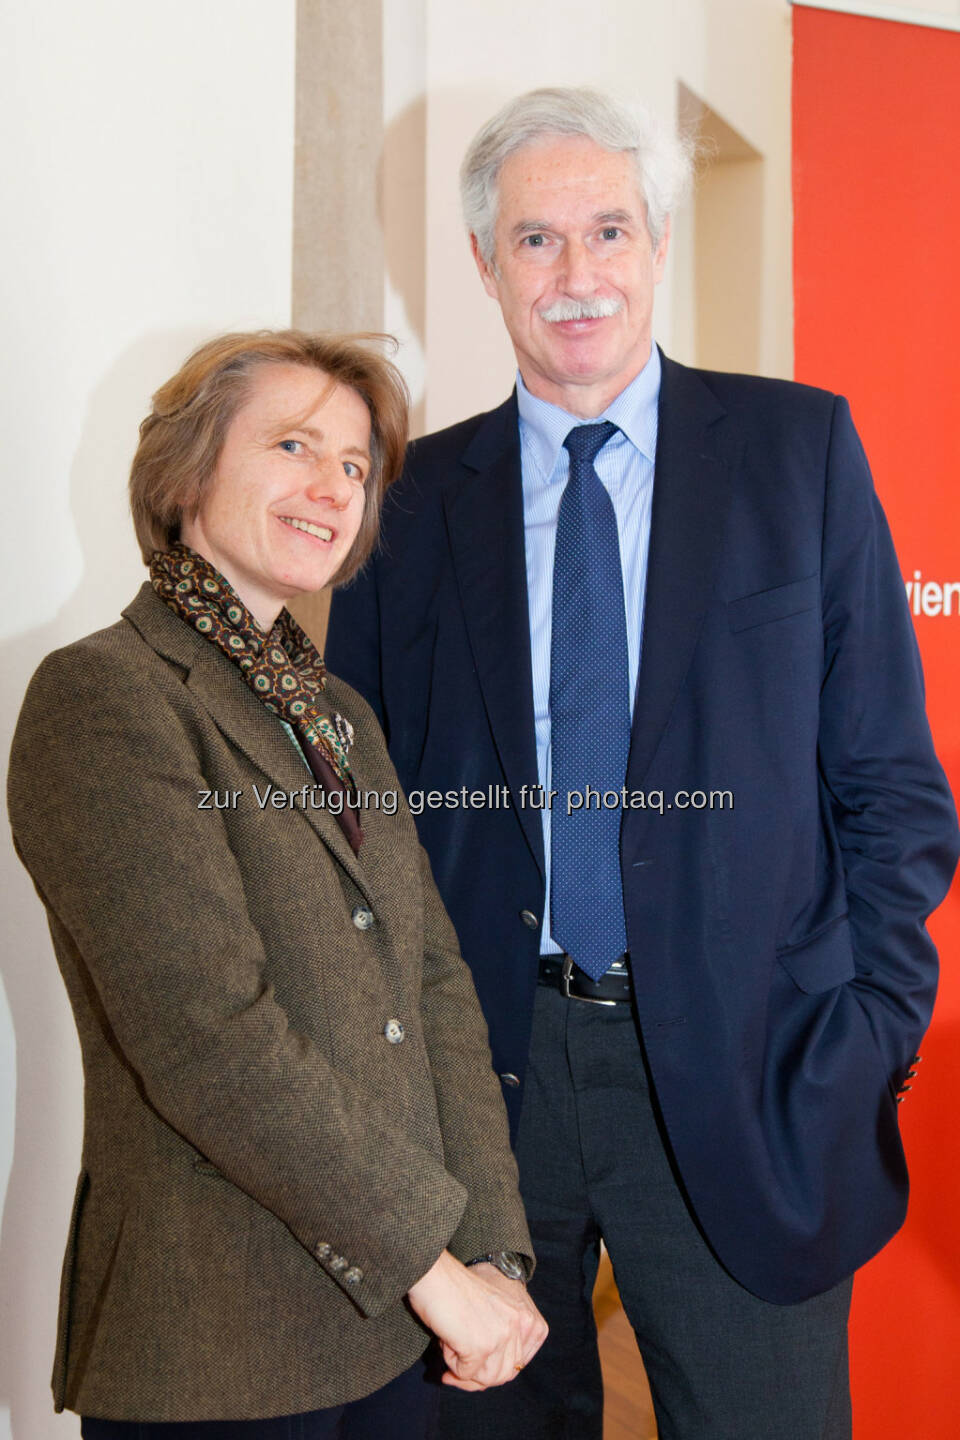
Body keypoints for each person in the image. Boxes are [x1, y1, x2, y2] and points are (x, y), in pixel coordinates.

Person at [325, 88, 960, 1440]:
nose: (577, 274)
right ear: (488, 266)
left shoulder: (801, 454)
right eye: (537, 240)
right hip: (483, 1086)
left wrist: (868, 1035)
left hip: (756, 1077)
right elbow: (359, 821)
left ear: (658, 242)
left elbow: (891, 785)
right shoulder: (413, 502)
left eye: (608, 229)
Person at [7, 329, 547, 1439]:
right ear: (188, 468)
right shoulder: (105, 699)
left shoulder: (336, 715)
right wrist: (432, 1268)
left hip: (398, 1337)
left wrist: (488, 1249)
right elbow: (208, 1036)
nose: (333, 486)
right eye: (295, 444)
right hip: (220, 1344)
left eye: (355, 465)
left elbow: (434, 984)